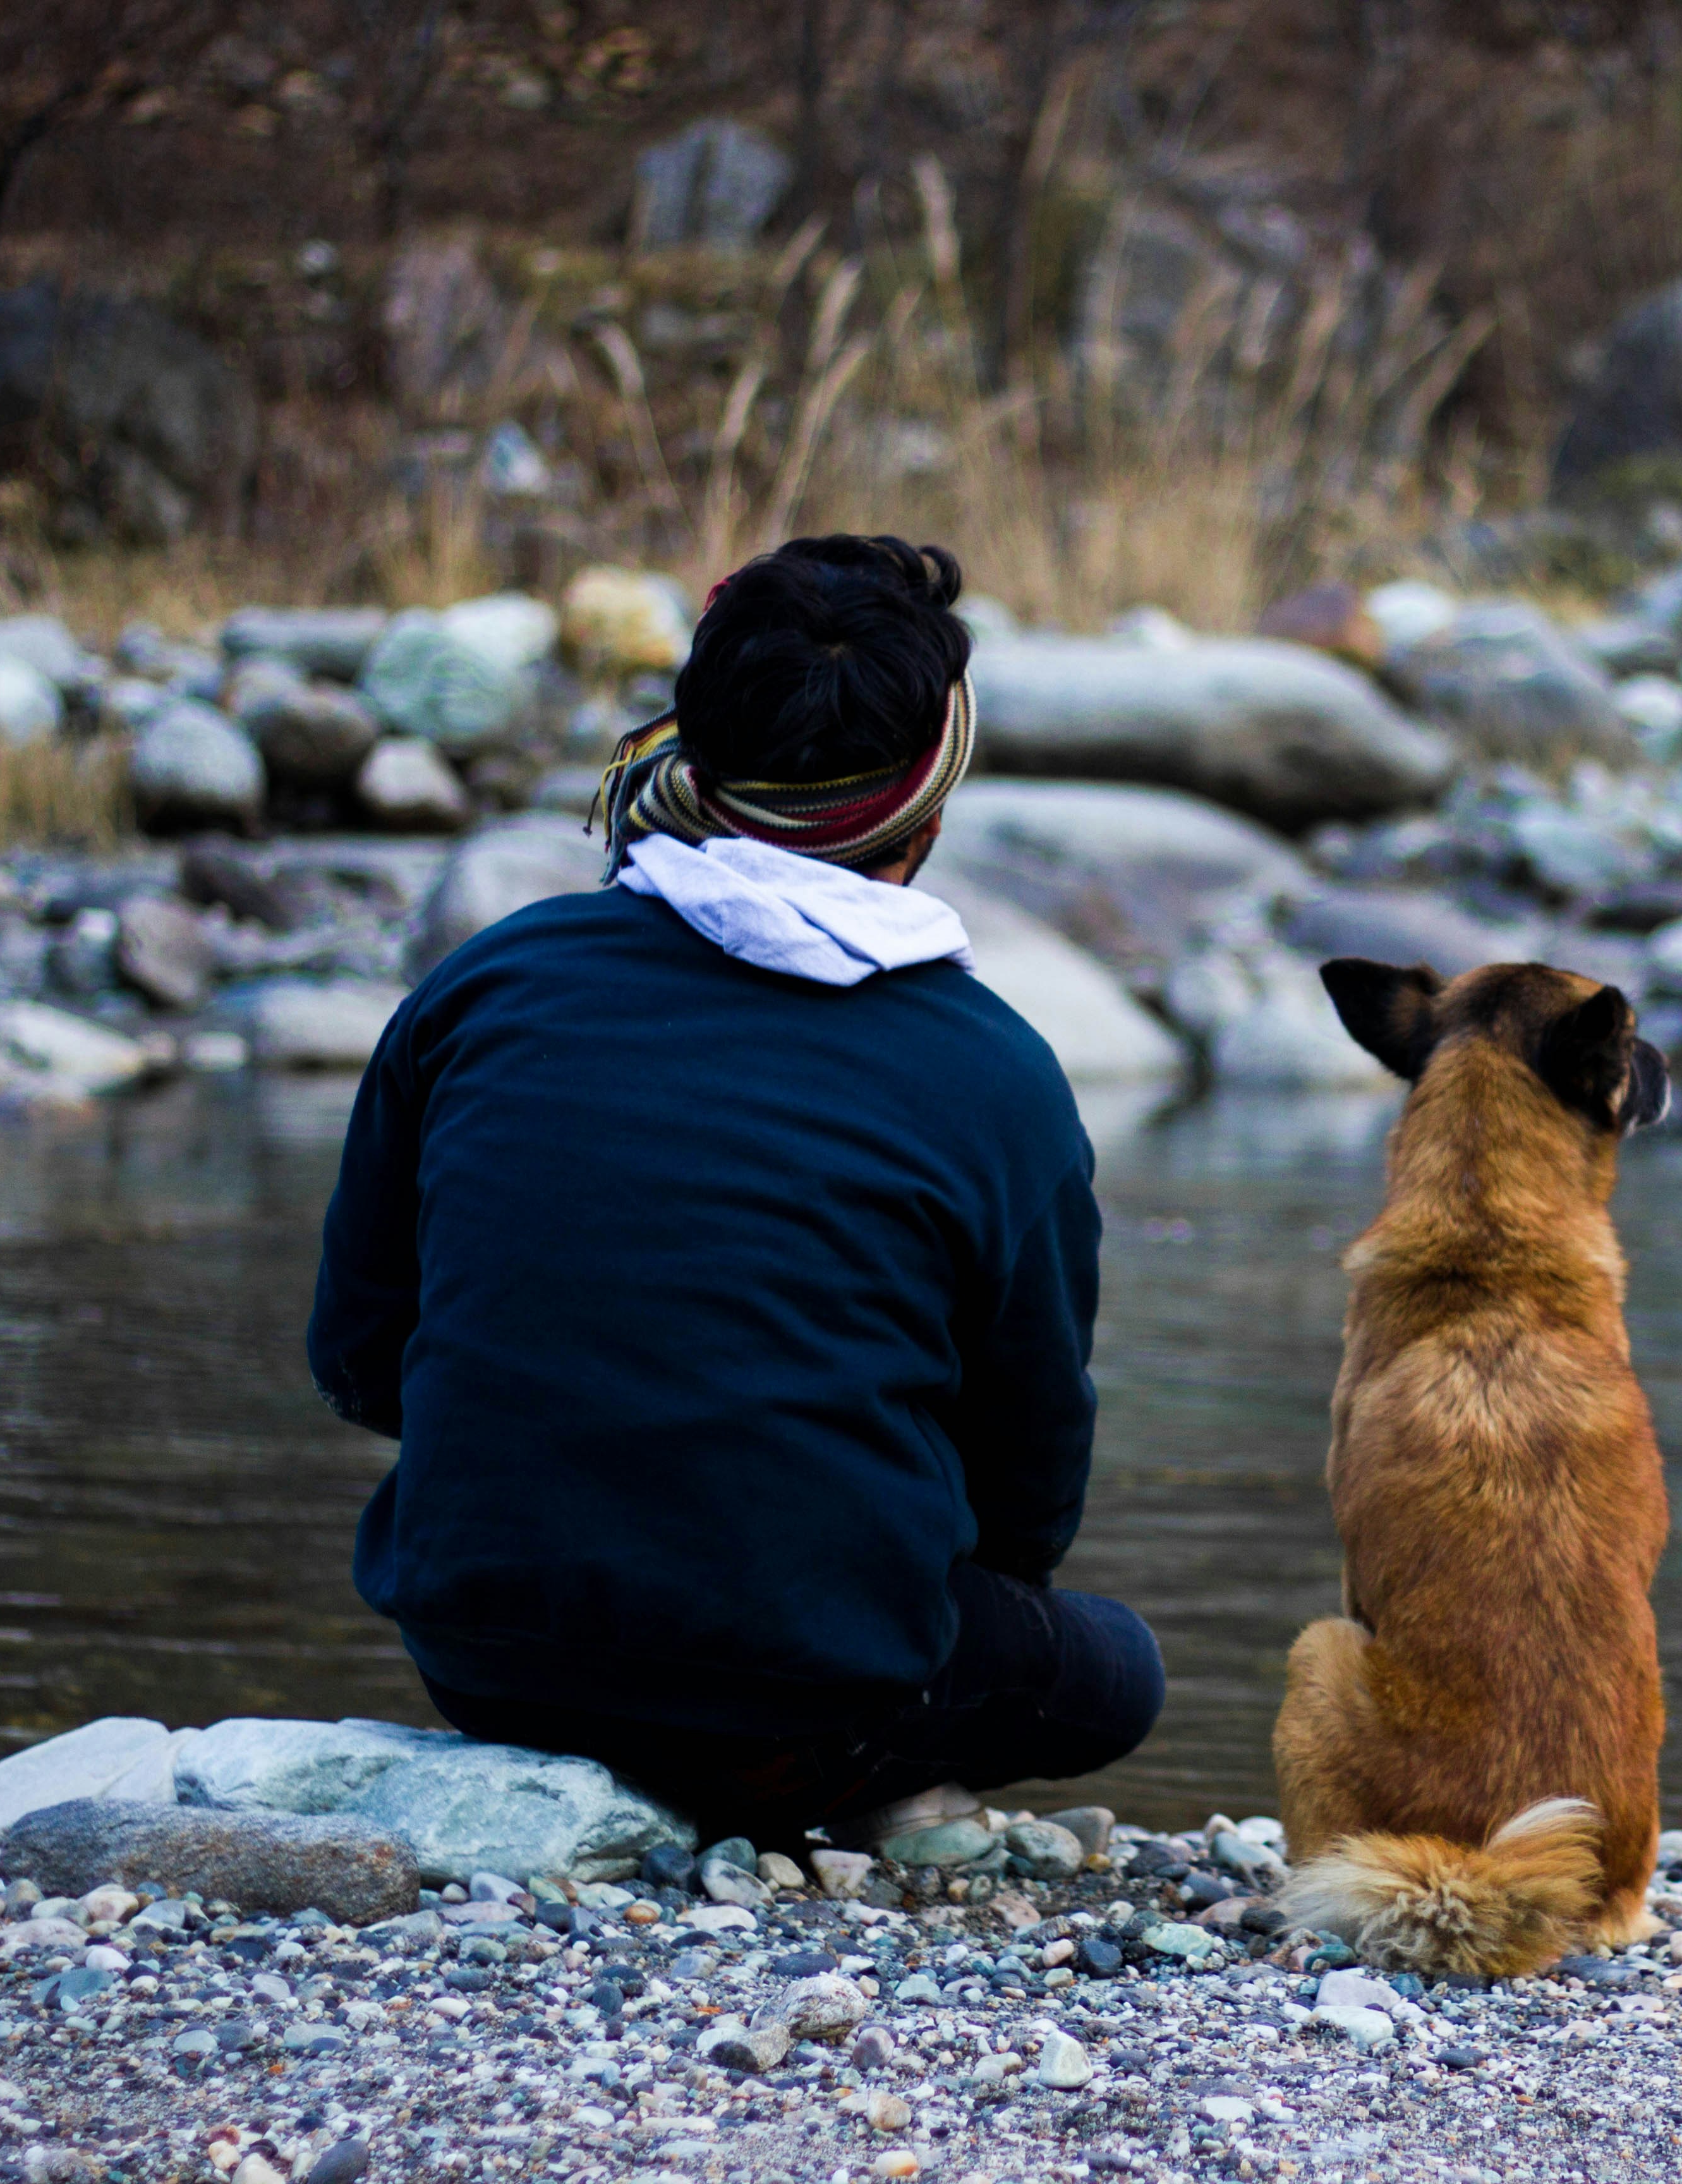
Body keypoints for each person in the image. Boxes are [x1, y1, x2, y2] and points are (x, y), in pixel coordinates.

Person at [305, 533, 1160, 1854]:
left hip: (484, 1661)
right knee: (1113, 1670)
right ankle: (845, 1793)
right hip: (804, 1710)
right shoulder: (998, 1077)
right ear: (929, 806)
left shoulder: (489, 982)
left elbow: (362, 1364)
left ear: (691, 754)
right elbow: (1028, 1498)